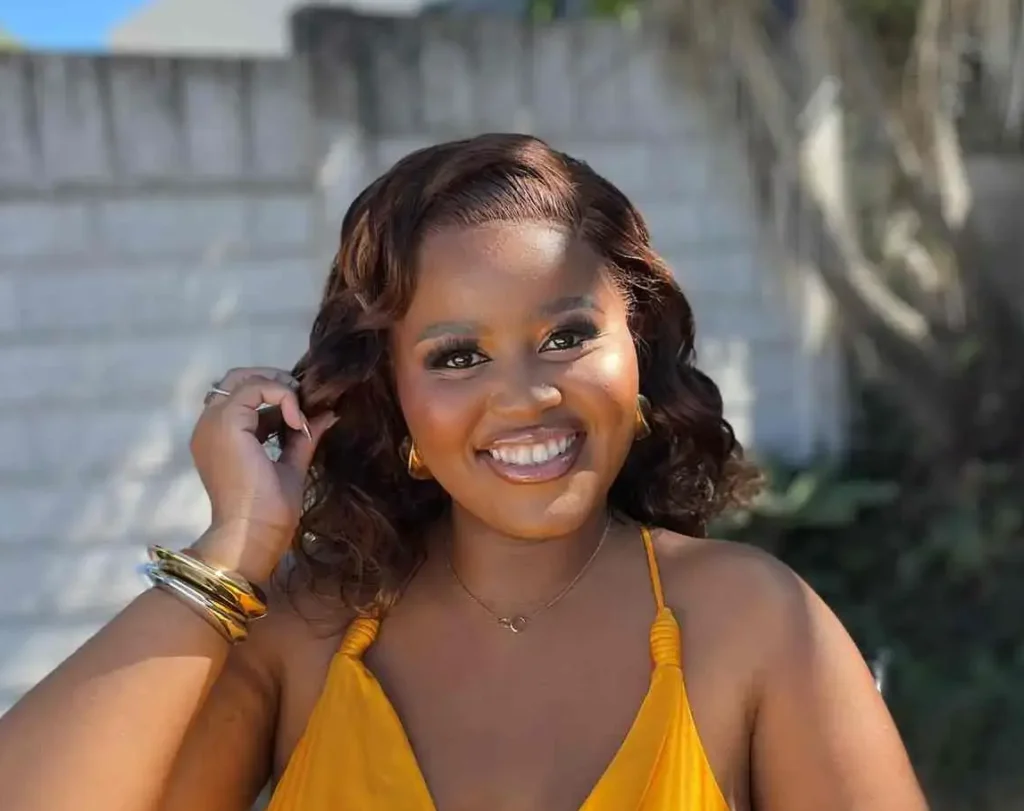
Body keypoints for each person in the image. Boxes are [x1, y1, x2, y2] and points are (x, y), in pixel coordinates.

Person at [0, 134, 928, 811]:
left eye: (568, 336)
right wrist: (236, 547)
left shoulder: (752, 623)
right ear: (390, 391)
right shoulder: (305, 633)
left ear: (636, 348)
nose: (524, 397)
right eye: (455, 357)